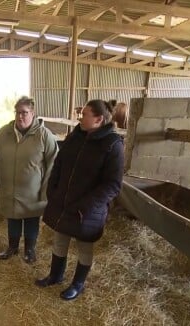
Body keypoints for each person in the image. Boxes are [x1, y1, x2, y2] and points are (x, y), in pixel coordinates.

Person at [35, 99, 124, 300]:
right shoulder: (76, 135)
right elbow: (59, 163)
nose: (80, 117)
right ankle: (55, 276)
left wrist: (86, 206)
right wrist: (53, 190)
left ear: (98, 119)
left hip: (87, 209)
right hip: (63, 201)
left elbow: (112, 185)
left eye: (84, 114)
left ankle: (78, 284)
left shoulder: (112, 145)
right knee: (60, 240)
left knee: (84, 247)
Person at [0, 96, 58, 264]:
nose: (20, 116)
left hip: (32, 192)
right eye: (18, 112)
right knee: (12, 217)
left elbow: (53, 164)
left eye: (25, 113)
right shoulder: (4, 133)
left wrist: (46, 190)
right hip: (9, 189)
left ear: (33, 113)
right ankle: (12, 247)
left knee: (31, 219)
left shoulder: (44, 135)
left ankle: (29, 249)